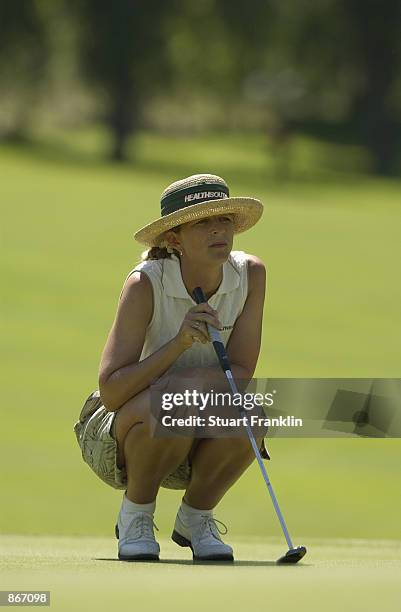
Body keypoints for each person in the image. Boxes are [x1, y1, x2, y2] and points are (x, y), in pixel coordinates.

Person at [74, 173, 268, 562]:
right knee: (174, 403)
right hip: (117, 432)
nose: (219, 230)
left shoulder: (250, 275)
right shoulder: (145, 284)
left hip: (195, 417)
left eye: (225, 220)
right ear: (174, 239)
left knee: (253, 416)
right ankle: (136, 516)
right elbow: (112, 392)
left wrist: (195, 385)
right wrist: (177, 344)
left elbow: (242, 370)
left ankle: (196, 520)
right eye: (203, 222)